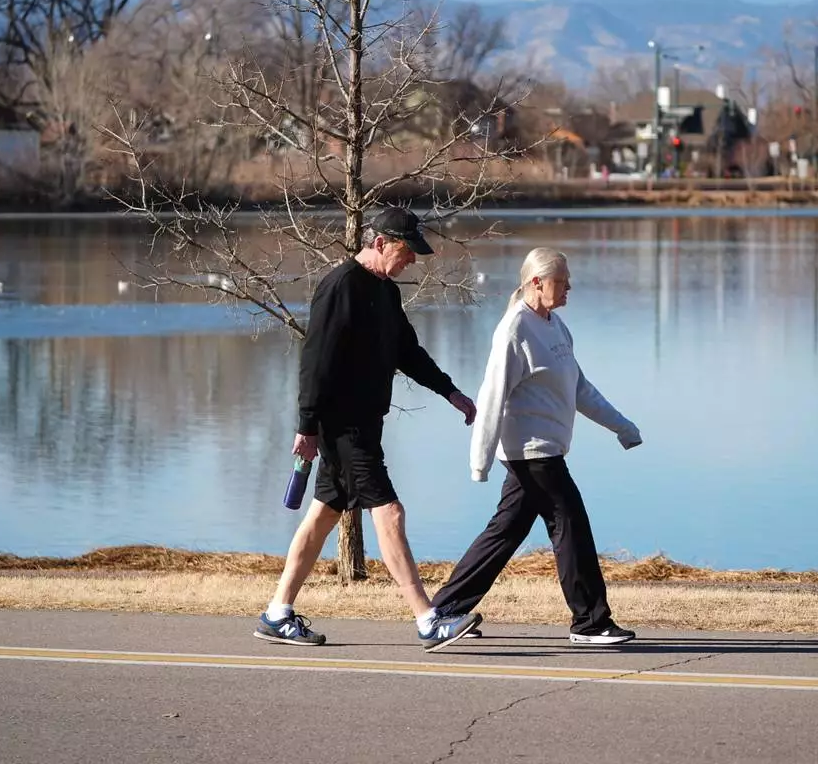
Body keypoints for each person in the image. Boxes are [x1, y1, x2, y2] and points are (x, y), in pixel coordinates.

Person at [254, 206, 483, 652]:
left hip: (365, 423)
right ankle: (428, 620)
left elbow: (408, 352)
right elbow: (315, 360)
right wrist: (307, 424)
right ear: (380, 243)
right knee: (389, 511)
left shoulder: (385, 292)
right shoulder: (340, 286)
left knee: (323, 515)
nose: (412, 260)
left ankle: (277, 613)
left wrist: (450, 392)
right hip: (343, 426)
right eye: (406, 251)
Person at [431, 247, 642, 644]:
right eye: (562, 281)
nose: (569, 288)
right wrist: (479, 461)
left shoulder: (555, 326)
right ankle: (591, 622)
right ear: (536, 283)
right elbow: (492, 395)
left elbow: (579, 388)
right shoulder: (515, 330)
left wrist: (622, 426)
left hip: (546, 450)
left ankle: (445, 610)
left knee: (505, 532)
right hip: (531, 452)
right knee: (570, 526)